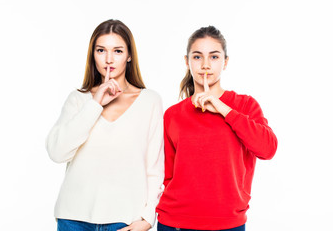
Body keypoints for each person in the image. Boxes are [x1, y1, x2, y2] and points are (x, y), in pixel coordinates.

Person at [46, 19, 164, 231]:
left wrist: (147, 218)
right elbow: (57, 152)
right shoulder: (78, 100)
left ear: (129, 56)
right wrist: (95, 104)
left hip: (126, 221)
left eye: (117, 51)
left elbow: (154, 168)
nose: (109, 59)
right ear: (93, 54)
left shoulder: (150, 101)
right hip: (74, 219)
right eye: (101, 50)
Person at [156, 26, 278, 231]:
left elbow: (267, 149)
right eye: (197, 57)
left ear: (225, 62)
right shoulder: (173, 115)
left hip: (228, 224)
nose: (205, 65)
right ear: (187, 62)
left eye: (213, 57)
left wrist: (224, 109)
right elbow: (166, 174)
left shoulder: (245, 105)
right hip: (175, 223)